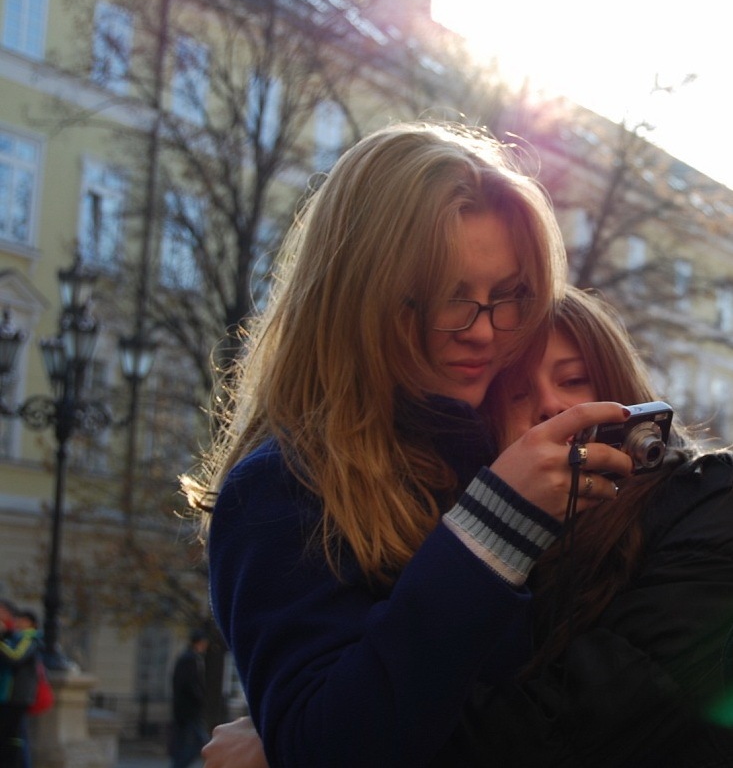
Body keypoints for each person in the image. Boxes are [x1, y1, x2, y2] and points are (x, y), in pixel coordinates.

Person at [184, 121, 633, 768]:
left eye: (507, 295)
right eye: (448, 297)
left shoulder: (506, 450)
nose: (483, 331)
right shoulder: (282, 487)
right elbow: (330, 744)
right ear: (358, 294)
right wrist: (493, 529)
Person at [200, 287, 733, 767]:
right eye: (516, 395)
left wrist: (284, 751)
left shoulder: (709, 502)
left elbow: (566, 729)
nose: (550, 405)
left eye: (574, 379)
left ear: (624, 394)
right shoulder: (477, 549)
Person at [0, 599, 39, 768]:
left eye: (22, 620)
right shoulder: (15, 637)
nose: (18, 623)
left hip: (17, 695)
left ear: (30, 623)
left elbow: (16, 656)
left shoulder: (28, 638)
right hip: (11, 694)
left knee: (13, 736)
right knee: (11, 735)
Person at [170, 628, 210, 768]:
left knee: (183, 743)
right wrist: (199, 699)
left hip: (185, 710)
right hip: (189, 710)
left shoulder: (187, 658)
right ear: (199, 643)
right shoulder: (190, 659)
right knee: (201, 743)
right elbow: (190, 684)